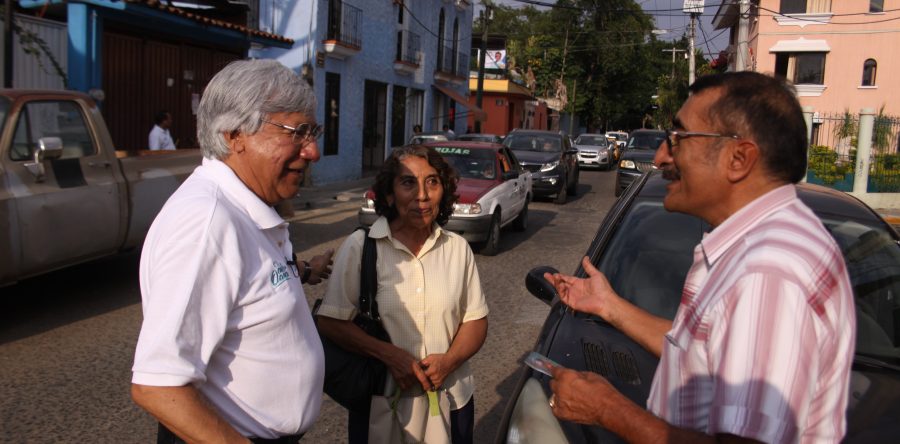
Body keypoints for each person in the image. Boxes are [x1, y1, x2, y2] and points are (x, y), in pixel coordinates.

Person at [544, 71, 855, 443]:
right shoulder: (760, 243)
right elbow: (698, 351)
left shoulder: (768, 272)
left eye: (677, 139)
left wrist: (607, 409)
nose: (660, 158)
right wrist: (609, 305)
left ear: (738, 158)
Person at [131, 59, 334, 443]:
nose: (313, 151)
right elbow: (158, 386)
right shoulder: (207, 223)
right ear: (234, 135)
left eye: (314, 132)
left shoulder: (247, 210)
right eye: (299, 132)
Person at [316, 145, 489, 444]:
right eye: (408, 182)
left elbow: (475, 320)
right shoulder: (361, 247)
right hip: (381, 404)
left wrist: (448, 362)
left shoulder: (457, 249)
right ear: (388, 195)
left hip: (451, 401)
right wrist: (389, 355)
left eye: (432, 182)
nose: (422, 195)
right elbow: (331, 321)